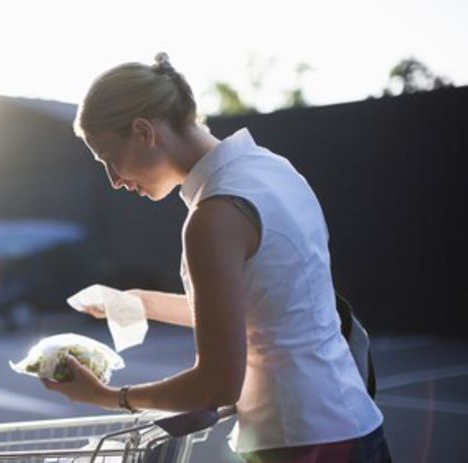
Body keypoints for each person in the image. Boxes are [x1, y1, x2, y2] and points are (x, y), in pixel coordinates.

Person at [40, 53, 392, 463]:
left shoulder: (214, 215)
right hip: (353, 425)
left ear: (143, 131)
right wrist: (140, 302)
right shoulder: (273, 169)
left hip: (299, 443)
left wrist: (107, 396)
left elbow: (217, 384)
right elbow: (264, 309)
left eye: (109, 159)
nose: (114, 180)